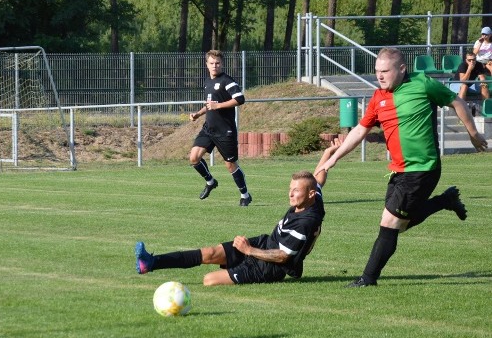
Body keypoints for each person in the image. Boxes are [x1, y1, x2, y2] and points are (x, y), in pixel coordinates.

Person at [316, 47, 487, 288]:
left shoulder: (423, 84)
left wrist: (473, 134)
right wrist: (334, 159)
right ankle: (444, 201)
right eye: (377, 71)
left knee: (389, 223)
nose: (380, 76)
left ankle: (367, 278)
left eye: (385, 71)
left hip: (422, 168)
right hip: (398, 170)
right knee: (401, 224)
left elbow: (457, 102)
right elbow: (360, 130)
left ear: (402, 69)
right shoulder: (378, 97)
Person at [135, 140, 340, 286]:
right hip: (263, 244)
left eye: (296, 190)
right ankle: (150, 263)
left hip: (269, 267)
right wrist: (328, 154)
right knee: (209, 253)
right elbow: (317, 178)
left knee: (209, 280)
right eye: (290, 188)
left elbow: (283, 257)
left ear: (309, 194)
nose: (290, 194)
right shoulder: (314, 199)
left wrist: (248, 251)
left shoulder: (306, 222)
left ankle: (235, 270)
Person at [188, 50, 252, 206]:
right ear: (207, 64)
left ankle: (245, 195)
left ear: (222, 64)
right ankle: (210, 182)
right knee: (194, 157)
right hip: (208, 128)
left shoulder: (226, 80)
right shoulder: (207, 81)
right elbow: (210, 104)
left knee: (230, 165)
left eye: (217, 63)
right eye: (211, 63)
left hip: (225, 131)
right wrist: (198, 113)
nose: (214, 66)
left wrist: (219, 105)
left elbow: (240, 99)